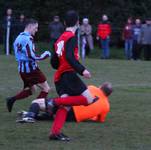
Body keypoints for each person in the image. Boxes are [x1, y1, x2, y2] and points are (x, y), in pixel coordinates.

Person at [6, 19, 51, 113]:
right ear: (30, 26)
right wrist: (46, 54)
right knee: (46, 88)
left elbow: (20, 55)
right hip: (31, 70)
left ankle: (11, 100)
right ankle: (33, 111)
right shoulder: (28, 38)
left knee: (32, 90)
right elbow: (31, 55)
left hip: (22, 69)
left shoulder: (18, 37)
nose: (36, 30)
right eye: (35, 28)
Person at [16, 82, 112, 124]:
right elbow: (100, 120)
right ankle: (32, 115)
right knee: (52, 116)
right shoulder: (106, 106)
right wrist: (89, 115)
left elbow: (78, 92)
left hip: (70, 106)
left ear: (100, 86)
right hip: (73, 119)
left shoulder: (92, 88)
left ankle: (30, 116)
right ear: (108, 95)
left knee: (36, 102)